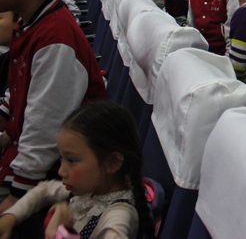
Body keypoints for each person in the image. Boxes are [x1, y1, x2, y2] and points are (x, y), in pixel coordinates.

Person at [0, 0, 106, 212]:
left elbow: (45, 130)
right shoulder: (30, 22)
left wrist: (14, 201)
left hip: (55, 176)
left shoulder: (55, 39)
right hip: (31, 157)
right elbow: (19, 90)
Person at [0, 102, 153, 239]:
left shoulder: (118, 216)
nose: (61, 171)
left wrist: (59, 232)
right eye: (61, 158)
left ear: (112, 163)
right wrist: (11, 216)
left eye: (71, 160)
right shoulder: (90, 192)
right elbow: (44, 190)